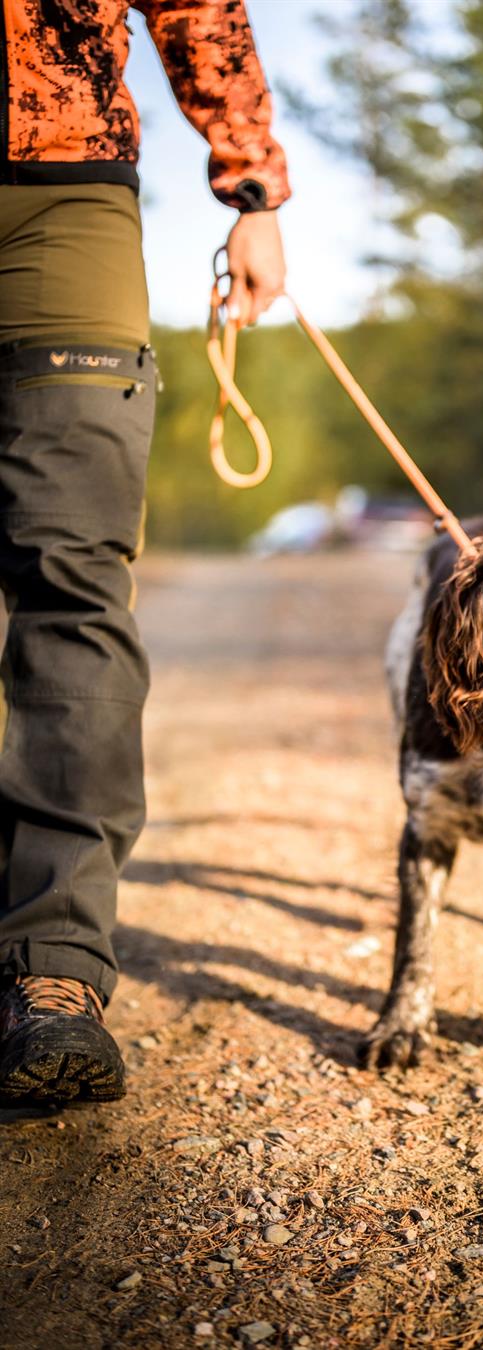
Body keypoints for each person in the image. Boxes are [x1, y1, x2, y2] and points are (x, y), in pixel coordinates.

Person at [0, 1, 290, 1104]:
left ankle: (55, 970)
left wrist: (252, 188)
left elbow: (199, 7)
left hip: (62, 193)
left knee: (71, 582)